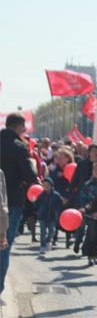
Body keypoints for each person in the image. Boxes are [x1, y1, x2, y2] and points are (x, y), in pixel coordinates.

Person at [0, 113, 38, 294]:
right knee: (4, 244)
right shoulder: (18, 146)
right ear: (18, 126)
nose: (25, 131)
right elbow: (29, 175)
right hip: (11, 201)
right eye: (24, 127)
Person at [79, 162, 97, 266]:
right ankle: (90, 256)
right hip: (90, 214)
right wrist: (86, 210)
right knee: (92, 235)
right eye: (95, 170)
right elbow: (83, 199)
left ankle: (96, 255)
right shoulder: (88, 185)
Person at [35, 178, 64, 258]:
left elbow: (60, 204)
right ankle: (42, 246)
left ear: (51, 185)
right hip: (42, 216)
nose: (46, 187)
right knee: (42, 232)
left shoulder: (56, 195)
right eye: (44, 185)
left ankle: (48, 241)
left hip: (52, 216)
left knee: (52, 231)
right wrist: (35, 206)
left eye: (47, 185)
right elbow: (37, 205)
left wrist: (58, 211)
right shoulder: (41, 195)